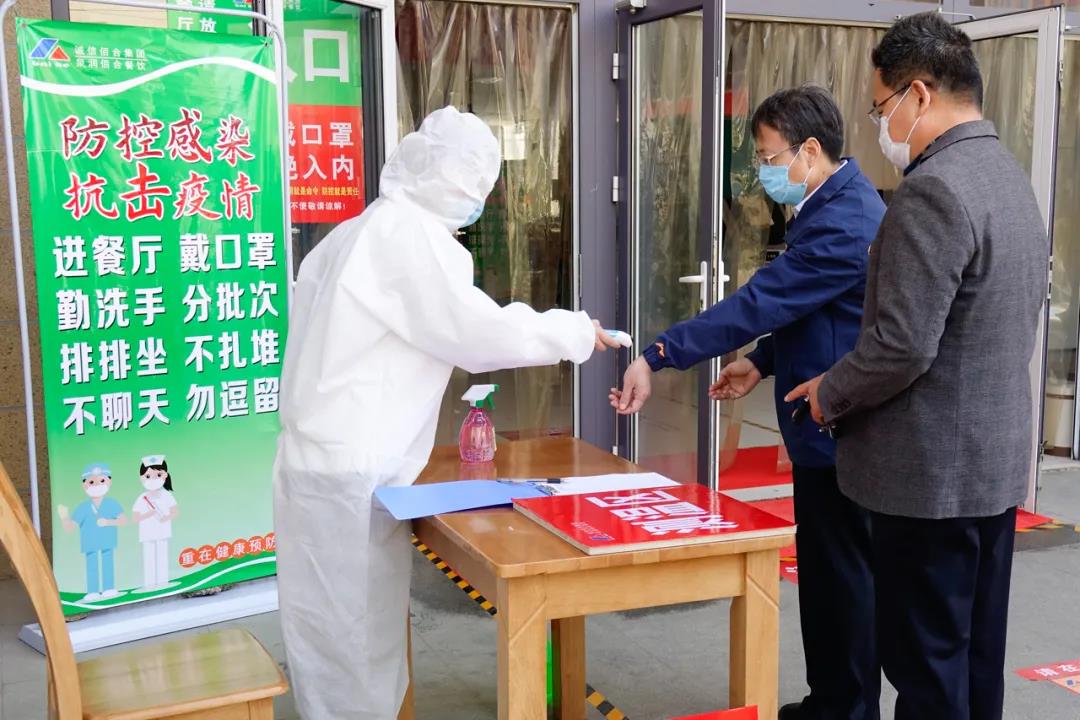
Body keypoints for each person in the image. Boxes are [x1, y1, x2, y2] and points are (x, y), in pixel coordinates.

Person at [274, 106, 621, 720]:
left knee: (325, 632)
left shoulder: (349, 235)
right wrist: (572, 331)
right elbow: (477, 333)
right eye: (475, 185)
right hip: (353, 467)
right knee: (357, 637)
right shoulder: (408, 238)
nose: (476, 200)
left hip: (310, 460)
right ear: (451, 181)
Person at [786, 13, 1048, 720]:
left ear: (920, 94)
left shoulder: (932, 190)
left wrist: (831, 392)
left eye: (881, 109)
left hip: (929, 480)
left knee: (927, 666)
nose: (881, 126)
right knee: (974, 659)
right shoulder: (1008, 177)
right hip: (991, 467)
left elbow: (902, 345)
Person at [611, 85, 884, 720]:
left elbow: (761, 302)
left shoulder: (845, 221)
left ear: (809, 151)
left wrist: (657, 355)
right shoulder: (827, 202)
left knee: (845, 582)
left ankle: (848, 710)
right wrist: (760, 362)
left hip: (841, 434)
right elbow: (816, 310)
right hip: (818, 425)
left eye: (767, 156)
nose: (762, 170)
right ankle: (830, 701)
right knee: (825, 577)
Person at [57, 463, 126, 603]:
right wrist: (64, 517)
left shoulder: (111, 503)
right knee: (92, 566)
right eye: (91, 482)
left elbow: (123, 520)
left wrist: (108, 522)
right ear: (84, 485)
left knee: (107, 563)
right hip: (90, 543)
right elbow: (70, 527)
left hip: (107, 540)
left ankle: (109, 588)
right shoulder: (83, 508)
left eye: (102, 480)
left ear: (109, 481)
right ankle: (93, 591)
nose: (97, 485)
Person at [132, 455, 178, 592]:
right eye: (148, 476)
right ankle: (150, 584)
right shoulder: (142, 498)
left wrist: (166, 518)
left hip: (163, 532)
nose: (153, 480)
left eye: (158, 475)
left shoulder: (167, 495)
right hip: (147, 534)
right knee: (149, 558)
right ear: (141, 478)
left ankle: (163, 582)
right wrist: (149, 514)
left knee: (162, 557)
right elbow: (135, 518)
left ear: (165, 475)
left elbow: (175, 512)